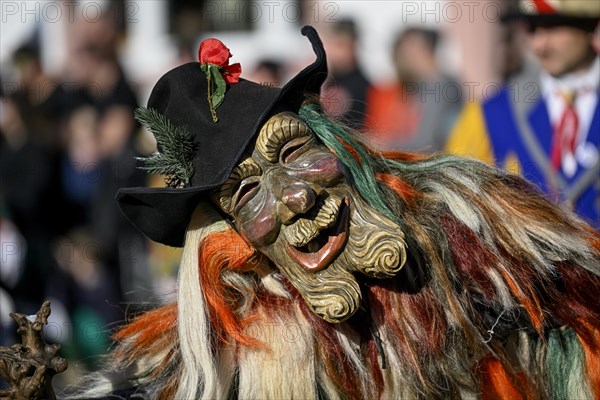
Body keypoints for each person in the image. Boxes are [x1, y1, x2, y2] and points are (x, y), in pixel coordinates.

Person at [69, 26, 599, 400]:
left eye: (295, 154)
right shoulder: (250, 362)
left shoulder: (473, 228)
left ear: (343, 150)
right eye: (249, 191)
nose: (298, 200)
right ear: (230, 246)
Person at [447, 0, 600, 229]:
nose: (540, 44)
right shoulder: (491, 111)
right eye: (532, 29)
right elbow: (456, 199)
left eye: (553, 27)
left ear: (590, 26)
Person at [364, 28, 462, 152]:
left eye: (406, 51)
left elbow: (426, 143)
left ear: (422, 50)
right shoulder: (422, 85)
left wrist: (383, 144)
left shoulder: (437, 86)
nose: (402, 58)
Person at [321, 19, 372, 130]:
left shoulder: (364, 87)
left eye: (342, 45)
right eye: (334, 44)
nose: (336, 51)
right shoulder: (323, 81)